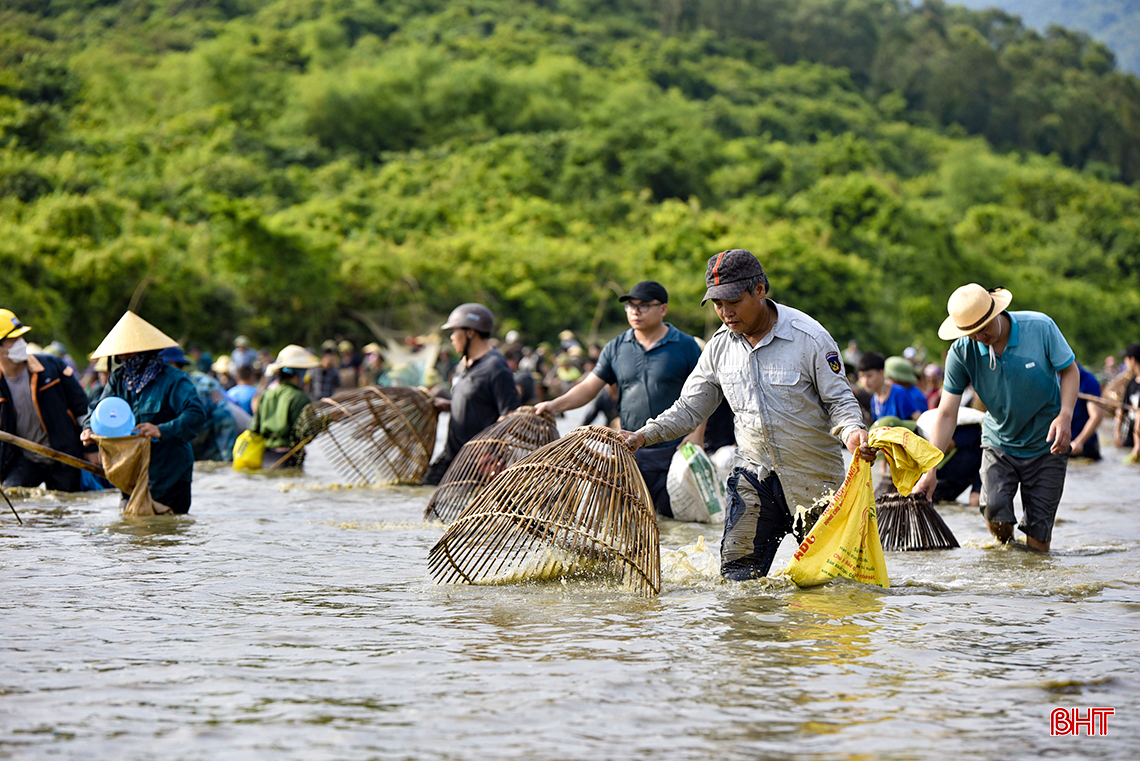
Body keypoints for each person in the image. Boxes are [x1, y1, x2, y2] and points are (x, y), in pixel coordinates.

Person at [620, 250, 871, 579]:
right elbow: (689, 407)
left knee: (833, 585)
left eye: (733, 301)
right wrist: (642, 436)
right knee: (738, 584)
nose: (725, 312)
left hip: (815, 482)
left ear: (760, 290)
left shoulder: (809, 338)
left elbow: (840, 401)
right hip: (754, 477)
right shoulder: (719, 347)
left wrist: (853, 433)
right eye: (717, 304)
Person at [915, 285, 1078, 551]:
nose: (980, 336)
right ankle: (1006, 564)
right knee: (995, 514)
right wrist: (931, 468)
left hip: (1047, 443)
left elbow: (1069, 371)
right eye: (971, 332)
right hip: (999, 442)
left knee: (1038, 543)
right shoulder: (962, 352)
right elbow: (946, 414)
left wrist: (1065, 415)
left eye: (984, 327)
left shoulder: (1039, 327)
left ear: (997, 311)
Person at [535, 280, 703, 517]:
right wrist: (554, 405)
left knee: (674, 520)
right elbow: (589, 387)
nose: (635, 311)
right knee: (629, 519)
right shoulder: (616, 347)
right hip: (630, 447)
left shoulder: (686, 345)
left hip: (674, 449)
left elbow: (702, 396)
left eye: (644, 305)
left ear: (663, 309)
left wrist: (695, 439)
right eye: (630, 306)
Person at [83, 311, 206, 514]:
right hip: (130, 472)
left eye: (129, 354)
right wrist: (88, 428)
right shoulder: (119, 379)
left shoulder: (173, 380)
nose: (124, 359)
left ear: (146, 353)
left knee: (167, 535)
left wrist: (161, 430)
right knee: (131, 535)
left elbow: (195, 414)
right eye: (121, 355)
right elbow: (98, 408)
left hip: (169, 475)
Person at [422, 303, 520, 485]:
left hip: (476, 464)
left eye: (454, 332)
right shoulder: (466, 365)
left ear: (470, 333)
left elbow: (510, 416)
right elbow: (479, 404)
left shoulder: (495, 368)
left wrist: (488, 451)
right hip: (451, 456)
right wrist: (450, 406)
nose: (451, 338)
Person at [0, 309, 91, 492]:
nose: (21, 343)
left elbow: (82, 409)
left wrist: (92, 449)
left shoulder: (52, 366)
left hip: (64, 456)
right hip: (24, 459)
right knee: (14, 498)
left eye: (21, 338)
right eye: (13, 340)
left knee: (68, 508)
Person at [161, 346, 239, 462]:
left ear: (172, 364)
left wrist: (226, 458)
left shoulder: (205, 385)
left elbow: (225, 419)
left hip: (207, 453)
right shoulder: (158, 388)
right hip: (174, 456)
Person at [248, 345, 320, 469]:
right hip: (289, 458)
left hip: (266, 457)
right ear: (299, 374)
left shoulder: (266, 395)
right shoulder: (299, 397)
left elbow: (254, 428)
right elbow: (306, 435)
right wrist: (322, 423)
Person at [857, 352, 923, 423]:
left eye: (869, 376)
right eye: (861, 376)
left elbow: (918, 420)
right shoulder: (874, 400)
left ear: (882, 373)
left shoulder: (898, 393)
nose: (865, 381)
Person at [1069, 362, 1103, 461]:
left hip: (1085, 446)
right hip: (1062, 444)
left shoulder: (1089, 381)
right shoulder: (1056, 378)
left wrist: (1079, 441)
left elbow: (1096, 416)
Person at [1113, 343, 1140, 461]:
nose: (1125, 363)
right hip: (1130, 441)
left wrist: (1138, 443)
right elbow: (1121, 408)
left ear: (1132, 360)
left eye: (1126, 359)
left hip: (1137, 442)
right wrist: (1117, 432)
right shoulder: (1132, 383)